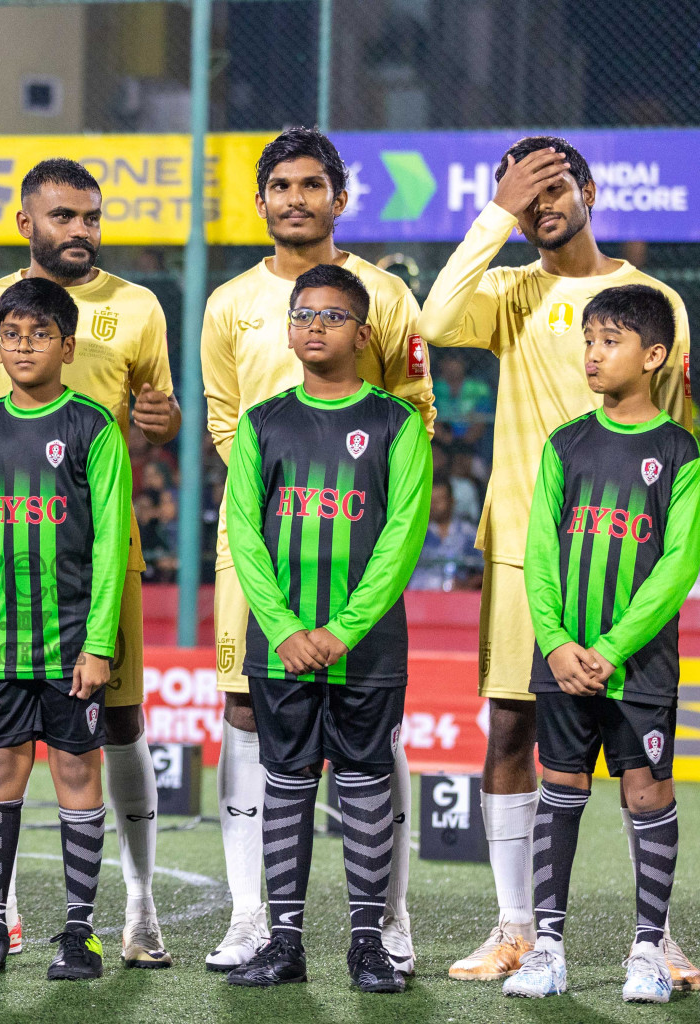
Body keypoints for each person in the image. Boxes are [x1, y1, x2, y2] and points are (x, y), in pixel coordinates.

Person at [419, 136, 697, 986]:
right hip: (524, 554)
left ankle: (656, 938)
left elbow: (677, 428)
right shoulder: (508, 290)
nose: (541, 202)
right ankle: (516, 927)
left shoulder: (653, 301)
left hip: (626, 560)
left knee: (637, 752)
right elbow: (432, 323)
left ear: (590, 189)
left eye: (553, 185)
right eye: (523, 189)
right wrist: (495, 212)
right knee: (511, 727)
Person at [200, 127, 434, 974]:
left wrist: (342, 619)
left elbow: (414, 442)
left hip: (361, 592)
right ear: (261, 200)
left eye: (313, 184)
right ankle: (259, 923)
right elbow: (226, 422)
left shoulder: (390, 309)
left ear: (340, 196)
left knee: (371, 760)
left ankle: (383, 926)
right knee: (255, 731)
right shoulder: (230, 307)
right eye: (281, 186)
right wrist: (282, 604)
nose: (296, 198)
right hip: (267, 572)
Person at [0, 157, 180, 970]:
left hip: (95, 587)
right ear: (27, 223)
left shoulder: (140, 307)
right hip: (6, 607)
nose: (80, 230)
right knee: (2, 758)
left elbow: (159, 419)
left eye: (90, 217)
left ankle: (134, 910)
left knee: (117, 730)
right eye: (64, 216)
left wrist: (168, 416)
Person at [506, 285, 700, 1003]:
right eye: (589, 339)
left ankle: (649, 949)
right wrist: (556, 642)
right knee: (559, 789)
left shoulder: (680, 451)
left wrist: (612, 646)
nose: (593, 353)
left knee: (648, 792)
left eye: (611, 340)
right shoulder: (567, 443)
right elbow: (541, 550)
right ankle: (546, 948)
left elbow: (678, 564)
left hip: (637, 666)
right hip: (562, 662)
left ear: (654, 356)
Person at [0, 278, 129, 982]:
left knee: (78, 770)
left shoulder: (91, 427)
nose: (22, 346)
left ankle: (79, 934)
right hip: (2, 641)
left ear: (67, 346)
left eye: (39, 334)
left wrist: (100, 642)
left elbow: (111, 539)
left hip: (71, 641)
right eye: (11, 334)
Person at [409, 482, 484, 591]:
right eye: (431, 500)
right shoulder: (415, 533)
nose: (433, 505)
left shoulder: (468, 533)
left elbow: (485, 569)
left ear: (452, 501)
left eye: (439, 500)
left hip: (458, 601)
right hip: (417, 599)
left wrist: (466, 585)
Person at [434, 352, 494, 447]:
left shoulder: (479, 389)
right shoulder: (432, 388)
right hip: (441, 440)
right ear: (441, 363)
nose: (452, 365)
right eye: (449, 360)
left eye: (456, 360)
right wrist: (446, 439)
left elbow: (482, 420)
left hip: (474, 442)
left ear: (464, 363)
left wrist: (464, 443)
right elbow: (429, 418)